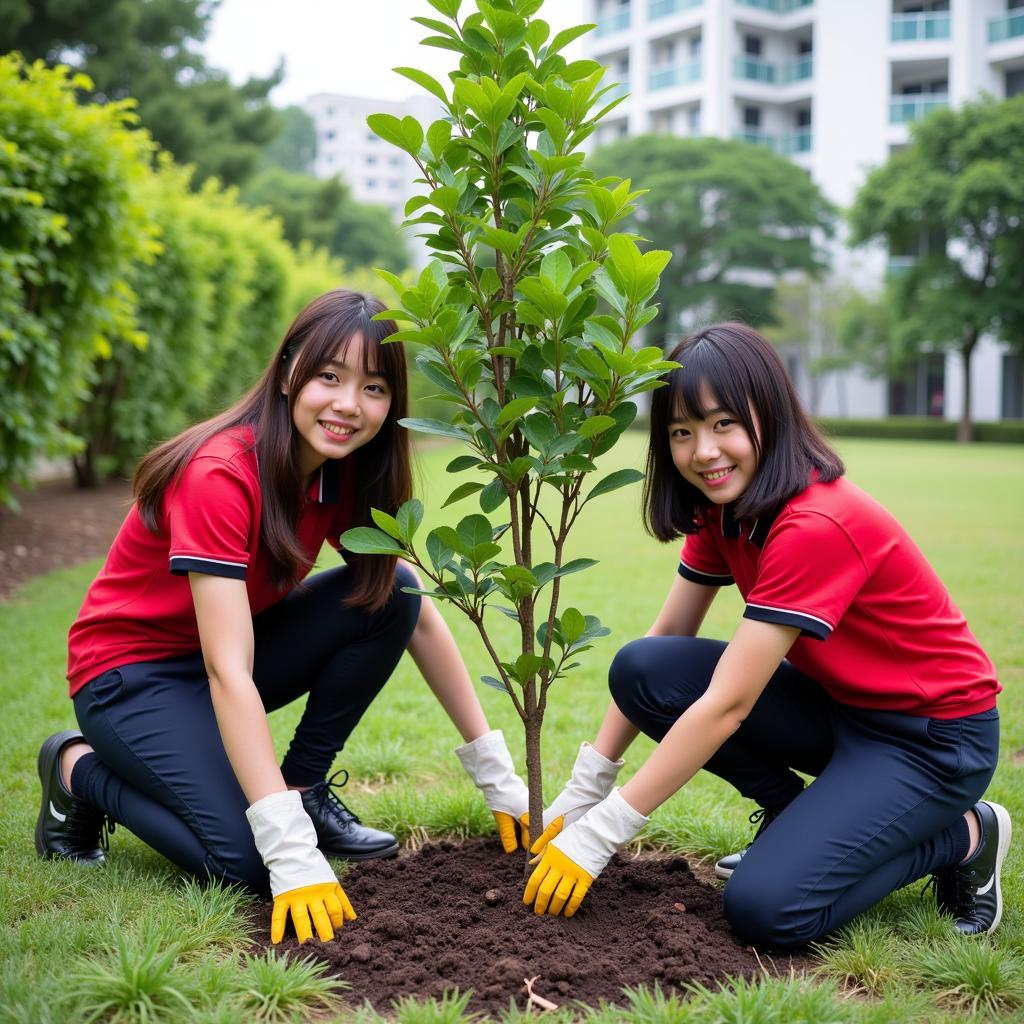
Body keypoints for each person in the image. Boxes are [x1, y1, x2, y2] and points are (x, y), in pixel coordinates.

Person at [35, 288, 529, 946]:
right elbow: (226, 668)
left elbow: (414, 610)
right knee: (246, 860)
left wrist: (499, 777)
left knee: (392, 592)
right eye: (330, 376)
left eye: (374, 387)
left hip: (226, 655)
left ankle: (303, 787)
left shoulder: (340, 469)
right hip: (132, 677)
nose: (349, 405)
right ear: (290, 368)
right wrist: (287, 846)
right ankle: (75, 768)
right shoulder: (220, 473)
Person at [523, 323, 1009, 947]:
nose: (703, 451)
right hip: (839, 711)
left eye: (723, 423)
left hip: (932, 741)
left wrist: (600, 834)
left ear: (770, 414)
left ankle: (961, 835)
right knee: (644, 667)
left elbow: (727, 706)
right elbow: (669, 634)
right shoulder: (721, 506)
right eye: (681, 432)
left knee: (768, 911)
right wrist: (587, 786)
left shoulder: (816, 521)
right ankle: (790, 814)